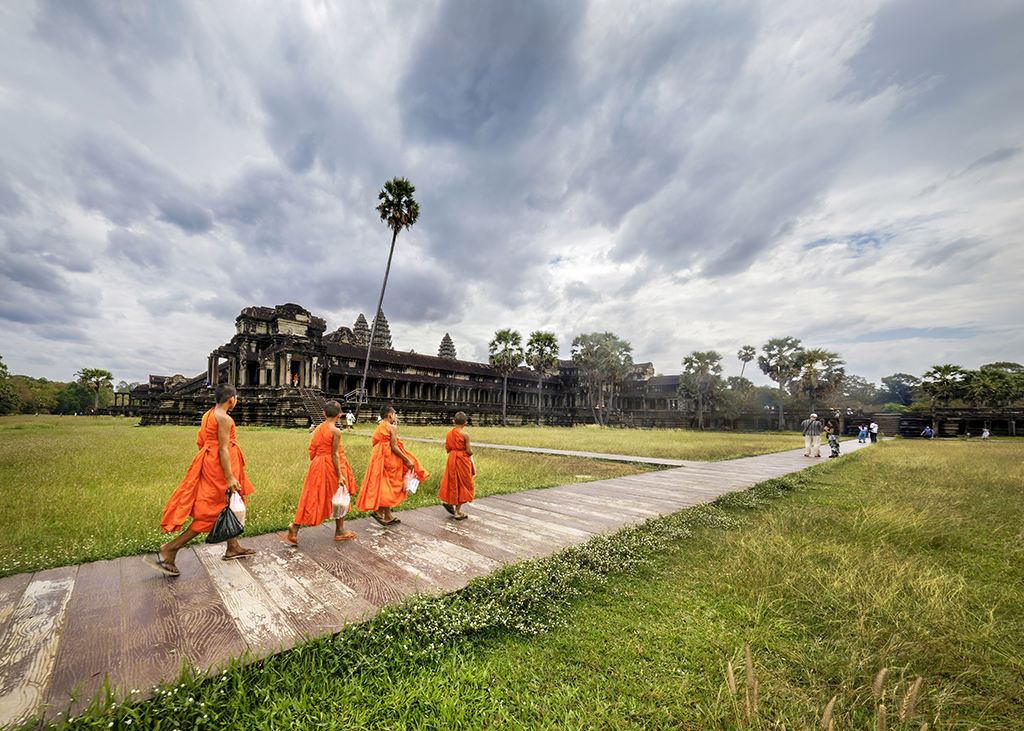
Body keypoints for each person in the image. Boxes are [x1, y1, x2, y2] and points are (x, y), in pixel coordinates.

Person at [147, 384, 256, 576]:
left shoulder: (209, 414)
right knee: (213, 512)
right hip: (221, 468)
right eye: (236, 398)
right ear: (232, 399)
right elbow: (222, 449)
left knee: (227, 505)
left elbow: (203, 441)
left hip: (212, 463)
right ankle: (171, 548)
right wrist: (229, 476)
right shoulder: (225, 418)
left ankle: (233, 547)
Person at [279, 401, 359, 546]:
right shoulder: (336, 431)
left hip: (317, 465)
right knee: (339, 496)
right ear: (339, 416)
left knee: (311, 496)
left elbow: (313, 449)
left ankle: (295, 527)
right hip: (331, 466)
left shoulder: (319, 428)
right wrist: (340, 474)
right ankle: (339, 530)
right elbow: (335, 454)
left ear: (323, 414)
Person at [356, 405, 429, 526]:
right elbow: (394, 447)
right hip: (390, 459)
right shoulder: (392, 428)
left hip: (378, 459)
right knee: (392, 485)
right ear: (390, 415)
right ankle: (379, 511)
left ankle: (388, 515)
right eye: (394, 414)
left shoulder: (379, 427)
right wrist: (407, 460)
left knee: (384, 485)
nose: (394, 417)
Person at [438, 412, 474, 520]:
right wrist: (471, 453)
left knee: (452, 481)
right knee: (462, 484)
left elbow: (448, 447)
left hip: (452, 458)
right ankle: (457, 512)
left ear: (453, 422)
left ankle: (450, 503)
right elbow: (468, 450)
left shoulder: (449, 433)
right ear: (465, 423)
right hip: (462, 459)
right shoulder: (465, 435)